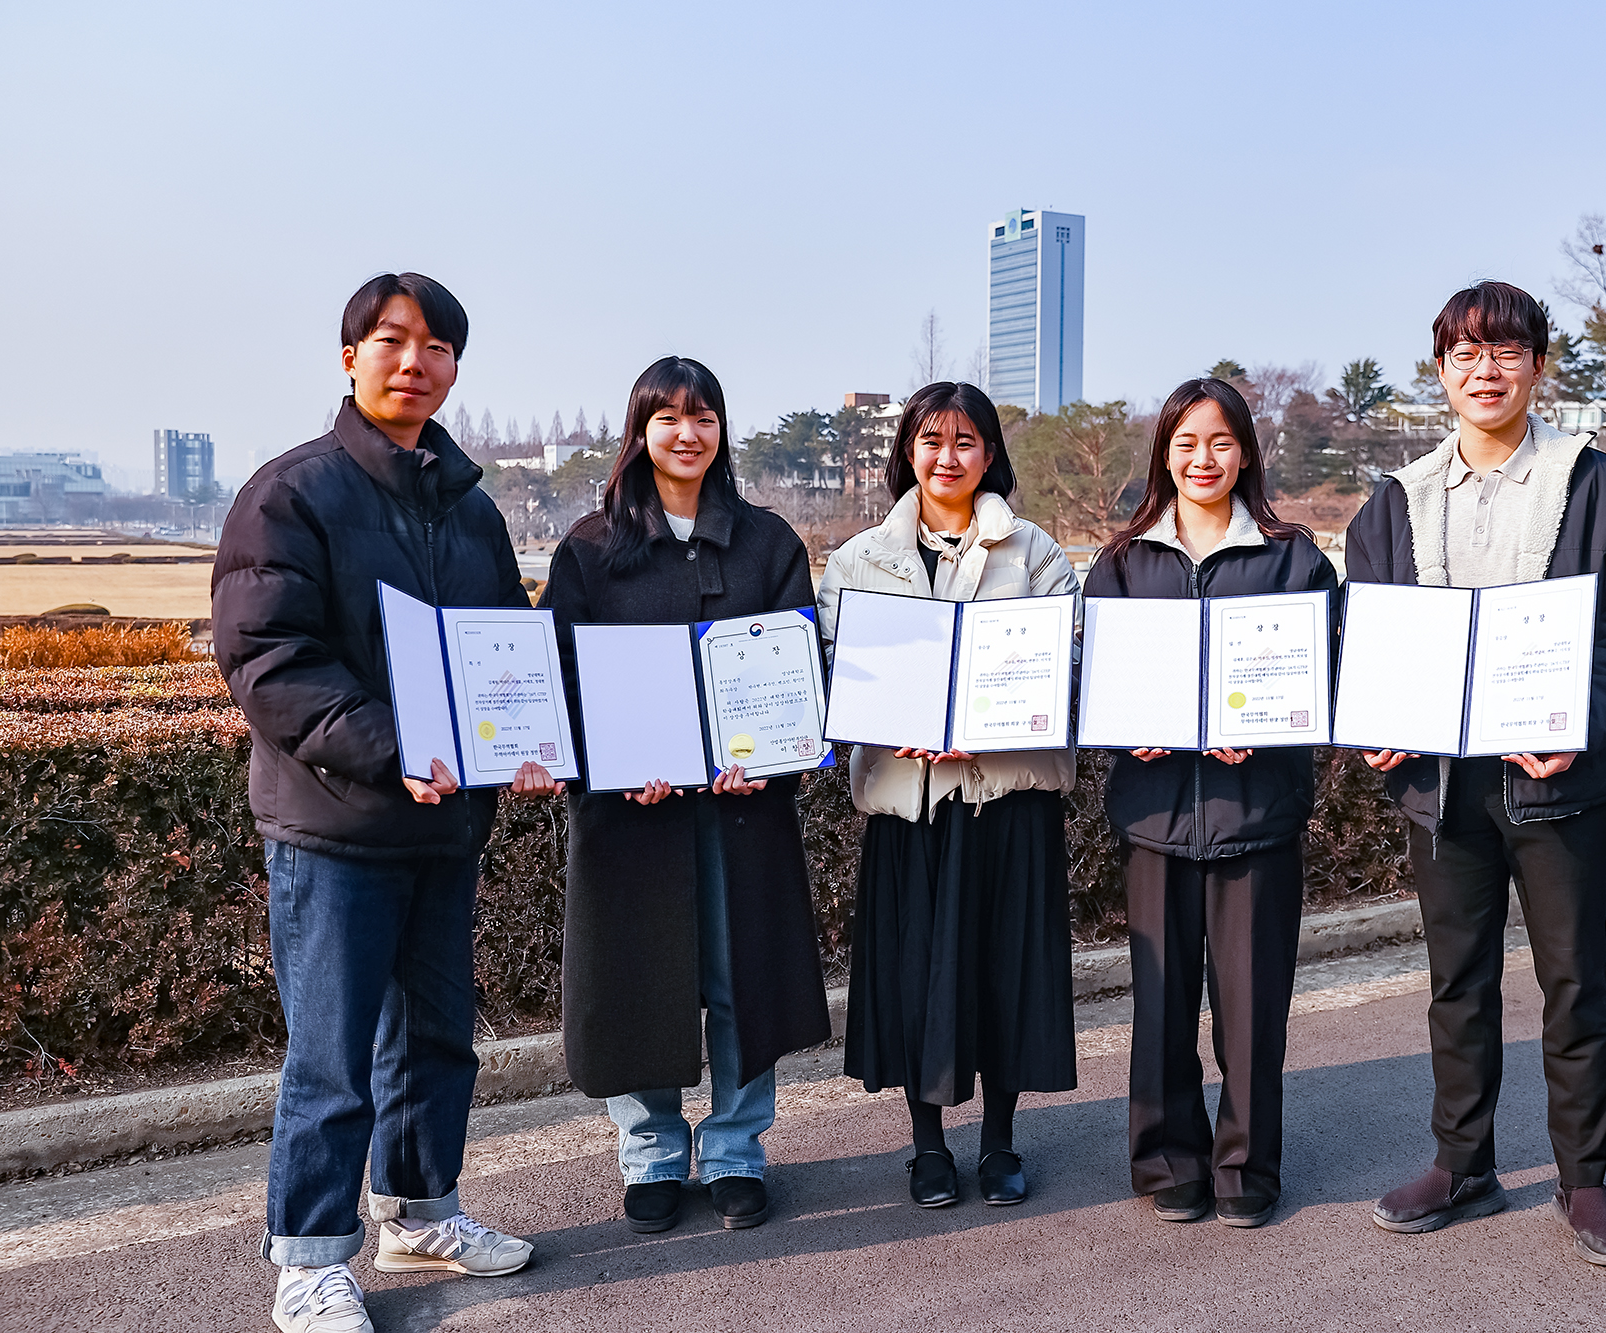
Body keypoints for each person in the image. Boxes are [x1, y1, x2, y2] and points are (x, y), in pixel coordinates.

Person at [213, 272, 560, 1333]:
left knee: (438, 1040)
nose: (415, 362)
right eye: (392, 341)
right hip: (337, 826)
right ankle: (312, 1258)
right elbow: (269, 660)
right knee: (332, 1054)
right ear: (349, 356)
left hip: (444, 822)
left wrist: (531, 743)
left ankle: (418, 1212)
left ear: (456, 369)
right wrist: (393, 750)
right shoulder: (294, 493)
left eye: (437, 348)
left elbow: (507, 645)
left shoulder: (471, 509)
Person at [1344, 280, 1606, 1268]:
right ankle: (1461, 1165)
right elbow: (1362, 631)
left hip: (1555, 779)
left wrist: (1577, 720)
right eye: (1462, 353)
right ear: (1439, 370)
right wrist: (1371, 715)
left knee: (1572, 983)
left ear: (1537, 366)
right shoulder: (1396, 499)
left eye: (1504, 352)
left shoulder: (1596, 486)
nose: (1482, 370)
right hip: (1442, 787)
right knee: (1456, 985)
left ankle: (1582, 1181)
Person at [541, 356, 830, 1236]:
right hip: (632, 814)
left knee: (742, 973)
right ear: (639, 433)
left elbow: (798, 671)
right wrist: (620, 761)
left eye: (702, 416)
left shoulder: (768, 542)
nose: (686, 433)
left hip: (741, 808)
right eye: (666, 417)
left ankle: (738, 1147)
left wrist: (773, 757)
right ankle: (653, 1151)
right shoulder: (590, 549)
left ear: (721, 431)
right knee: (639, 979)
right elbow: (563, 679)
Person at [816, 381, 1079, 1209]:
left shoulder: (1035, 552)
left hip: (1006, 799)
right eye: (931, 439)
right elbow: (834, 666)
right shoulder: (861, 558)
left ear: (991, 454)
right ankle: (927, 1144)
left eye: (966, 441)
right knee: (916, 975)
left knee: (1005, 972)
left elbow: (1067, 665)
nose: (947, 456)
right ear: (907, 451)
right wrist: (881, 720)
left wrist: (990, 726)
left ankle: (1000, 1139)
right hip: (911, 800)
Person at [1083, 378, 1337, 1229]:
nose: (1203, 459)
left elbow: (1329, 680)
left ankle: (1247, 1165)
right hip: (1154, 816)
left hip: (1255, 812)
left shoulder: (1292, 555)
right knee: (1159, 1002)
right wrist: (1128, 731)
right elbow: (1093, 682)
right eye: (1187, 442)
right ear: (1164, 451)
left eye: (1221, 442)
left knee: (1253, 1004)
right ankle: (1167, 1158)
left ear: (1246, 453)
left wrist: (1270, 725)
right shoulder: (1121, 562)